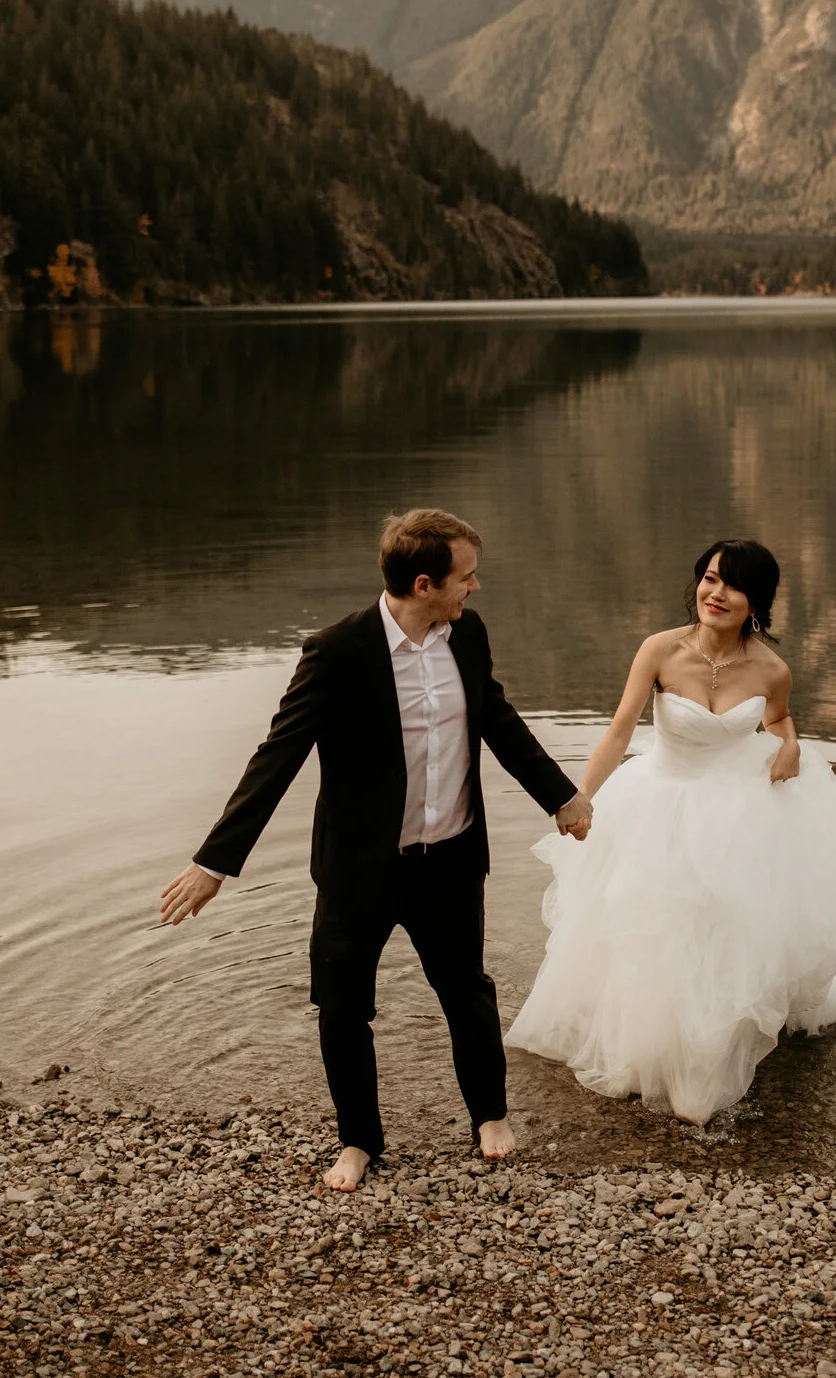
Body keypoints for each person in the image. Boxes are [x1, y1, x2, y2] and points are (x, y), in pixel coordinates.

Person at [159, 509, 592, 1192]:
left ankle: (490, 1116)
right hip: (359, 869)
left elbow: (496, 717)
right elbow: (278, 755)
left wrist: (560, 795)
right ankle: (359, 1141)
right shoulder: (337, 651)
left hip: (449, 857)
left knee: (466, 991)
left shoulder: (467, 634)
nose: (474, 587)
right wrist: (214, 862)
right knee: (342, 1006)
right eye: (465, 577)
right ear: (424, 585)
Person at [505, 538, 836, 1122]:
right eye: (711, 579)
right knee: (652, 927)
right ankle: (647, 1047)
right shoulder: (660, 649)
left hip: (739, 814)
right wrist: (581, 797)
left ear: (756, 601)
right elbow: (618, 732)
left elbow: (778, 717)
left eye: (734, 585)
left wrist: (790, 744)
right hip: (658, 802)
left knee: (722, 933)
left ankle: (705, 1056)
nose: (717, 594)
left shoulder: (771, 668)